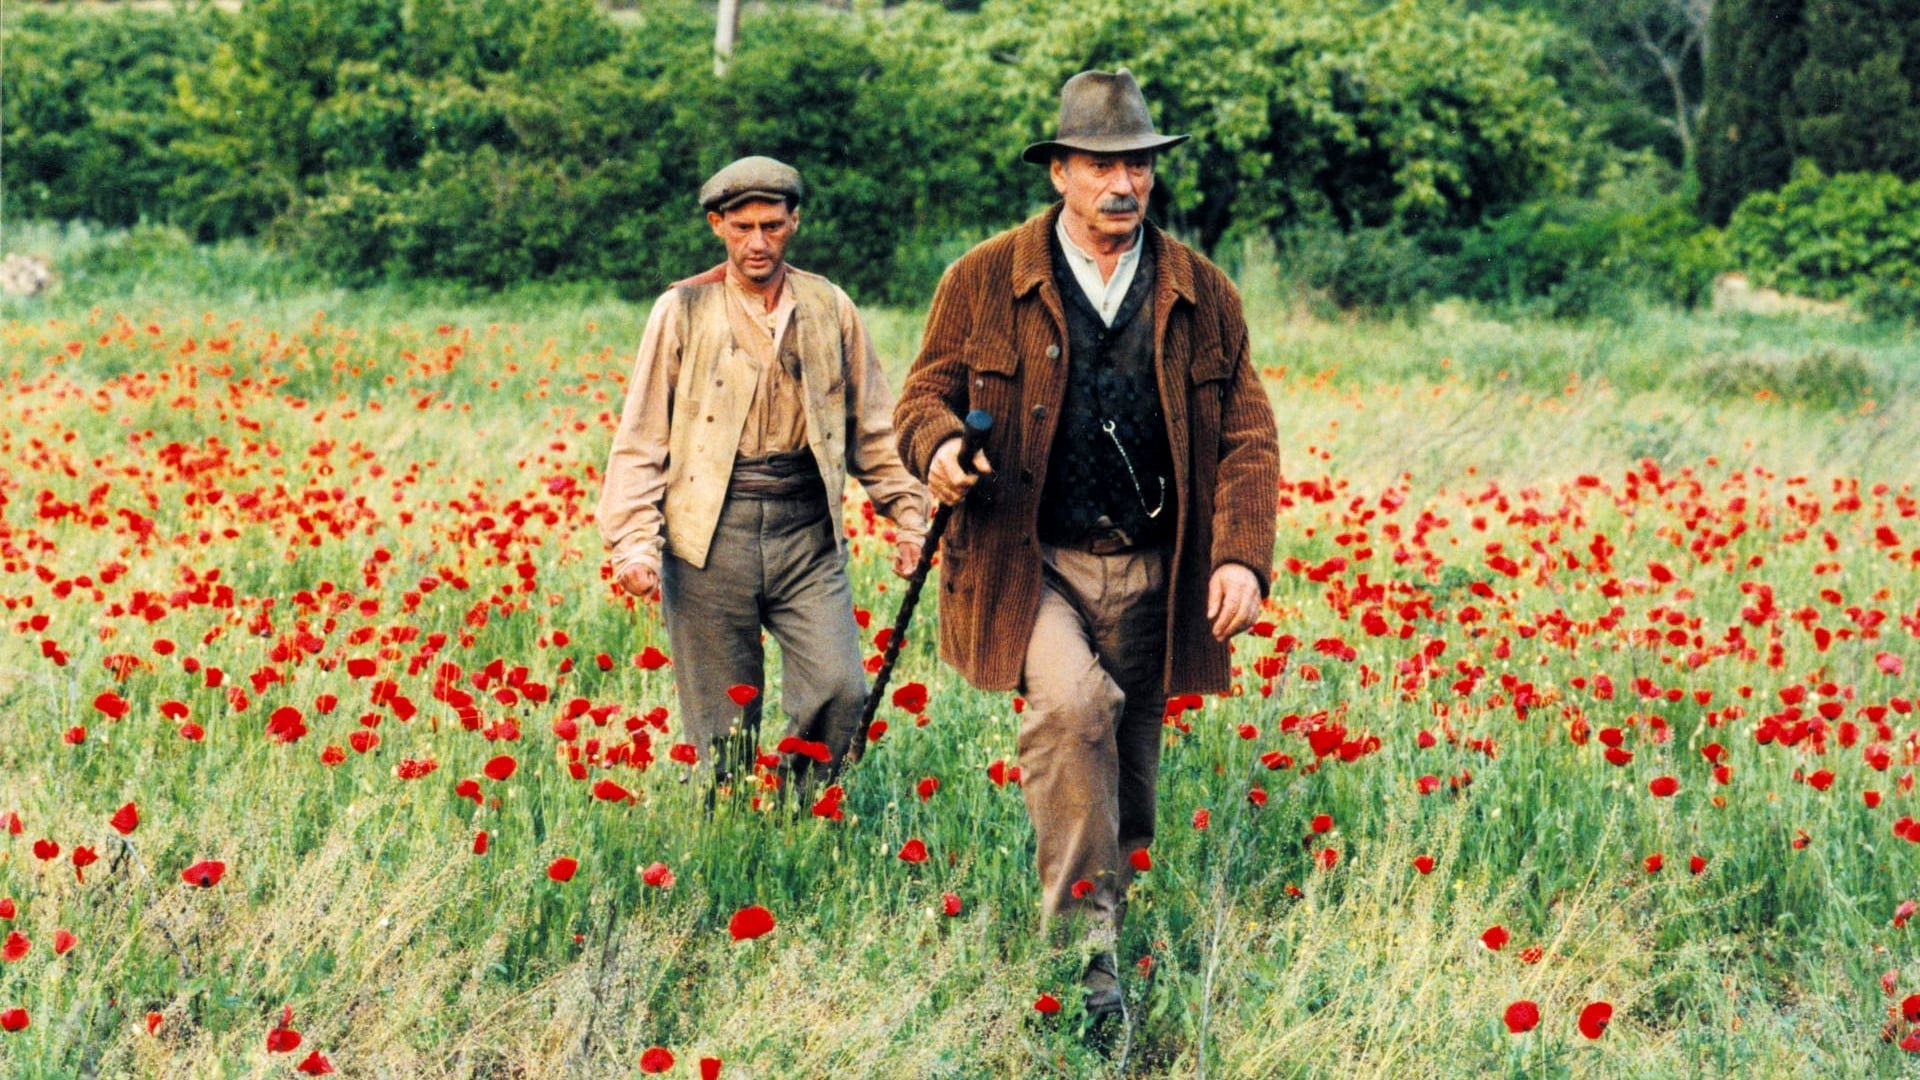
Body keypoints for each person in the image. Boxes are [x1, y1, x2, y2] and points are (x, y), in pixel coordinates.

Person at [894, 70, 1280, 1019]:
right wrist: (937, 449)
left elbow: (1247, 434)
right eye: (1101, 165)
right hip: (1032, 563)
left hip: (1155, 564)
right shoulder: (984, 278)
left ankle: (1112, 912)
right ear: (1059, 171)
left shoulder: (1203, 291)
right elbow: (922, 397)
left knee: (1130, 770)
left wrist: (1239, 556)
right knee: (1072, 711)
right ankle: (1085, 962)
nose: (1123, 183)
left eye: (1138, 165)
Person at [597, 155, 929, 789]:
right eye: (742, 227)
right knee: (723, 726)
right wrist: (634, 543)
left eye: (772, 226)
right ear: (718, 226)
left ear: (794, 222)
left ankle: (802, 812)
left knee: (839, 687)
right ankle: (732, 824)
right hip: (708, 535)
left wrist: (909, 518)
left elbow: (875, 428)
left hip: (806, 530)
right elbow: (641, 438)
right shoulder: (682, 308)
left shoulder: (830, 305)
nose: (758, 242)